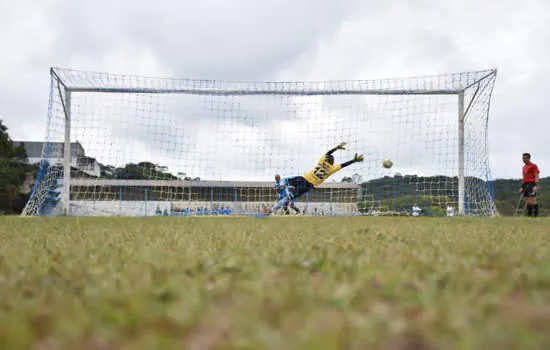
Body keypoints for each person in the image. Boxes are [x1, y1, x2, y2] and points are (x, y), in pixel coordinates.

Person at [265, 142, 363, 215]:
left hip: (302, 177)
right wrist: (354, 160)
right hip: (308, 185)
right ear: (332, 162)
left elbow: (328, 153)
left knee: (286, 181)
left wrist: (337, 148)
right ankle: (273, 209)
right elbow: (344, 165)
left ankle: (284, 189)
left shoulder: (321, 161)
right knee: (288, 197)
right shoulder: (332, 169)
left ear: (326, 159)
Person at [520, 153, 540, 217]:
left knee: (533, 200)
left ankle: (535, 216)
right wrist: (522, 187)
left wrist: (535, 185)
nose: (523, 159)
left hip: (531, 183)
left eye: (525, 158)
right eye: (523, 158)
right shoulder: (524, 167)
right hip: (525, 184)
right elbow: (524, 178)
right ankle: (529, 216)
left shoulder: (533, 166)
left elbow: (536, 175)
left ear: (528, 158)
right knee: (527, 200)